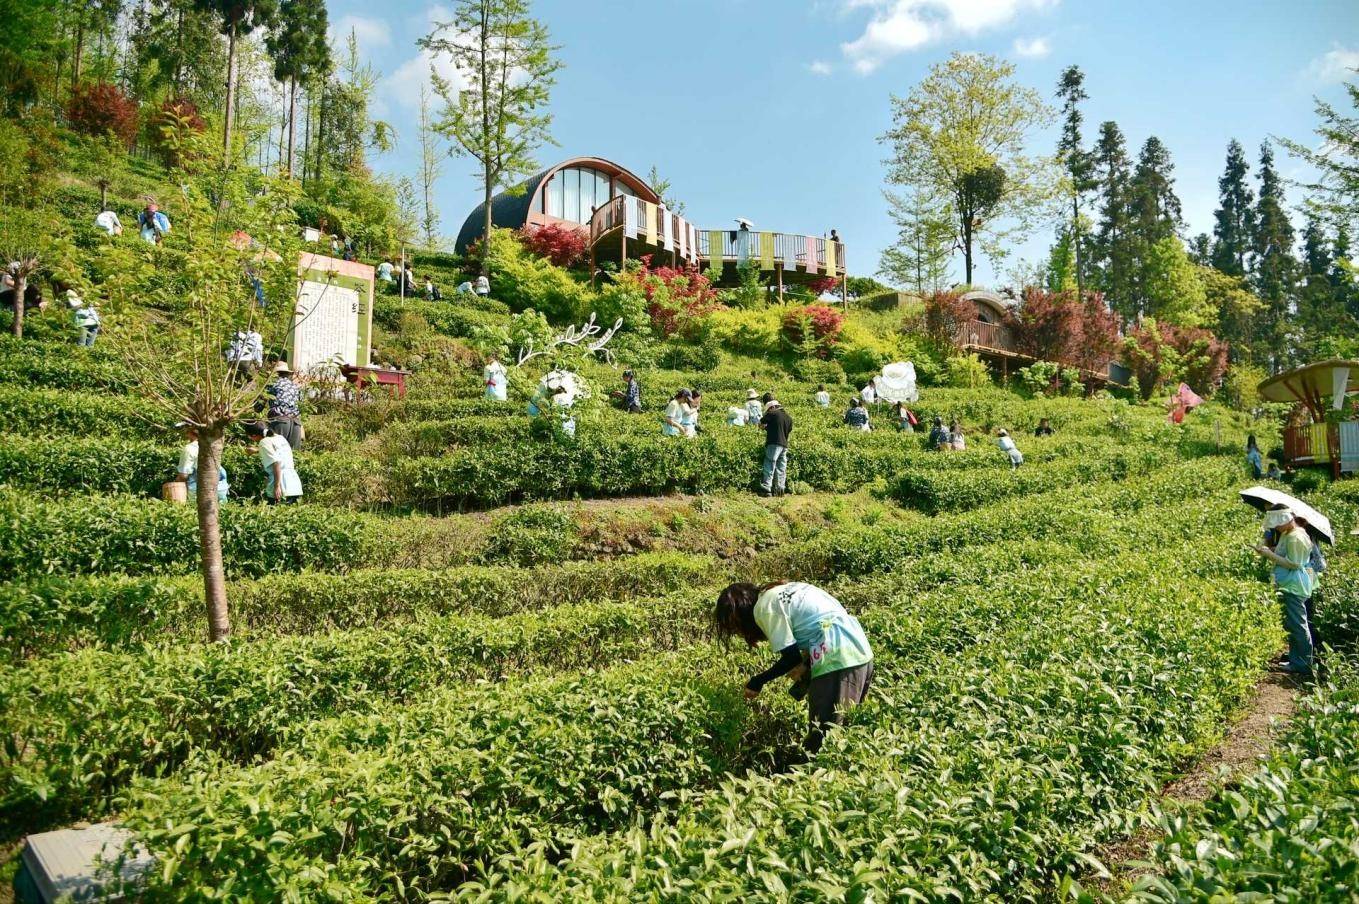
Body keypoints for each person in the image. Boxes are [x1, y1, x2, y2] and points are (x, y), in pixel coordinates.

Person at [713, 580, 873, 753]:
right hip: (859, 649)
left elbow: (790, 658)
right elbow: (819, 624)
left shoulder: (764, 607)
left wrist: (756, 682)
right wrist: (806, 664)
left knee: (824, 740)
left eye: (736, 628)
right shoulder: (783, 590)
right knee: (847, 732)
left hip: (837, 657)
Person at [1252, 505, 1315, 676]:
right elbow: (1283, 553)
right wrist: (1267, 550)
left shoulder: (1296, 537)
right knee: (1293, 625)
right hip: (1288, 583)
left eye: (1277, 524)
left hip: (1294, 585)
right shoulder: (1288, 534)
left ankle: (1302, 665)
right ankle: (1295, 660)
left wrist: (1269, 555)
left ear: (1285, 520)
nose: (1276, 528)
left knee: (1298, 626)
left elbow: (1294, 563)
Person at [244, 421, 303, 505]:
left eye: (249, 437)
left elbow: (276, 463)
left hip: (281, 484)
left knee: (275, 509)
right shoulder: (280, 437)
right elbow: (277, 452)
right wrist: (257, 450)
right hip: (293, 484)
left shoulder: (264, 442)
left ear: (253, 435)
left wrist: (277, 487)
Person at [172, 423, 229, 502]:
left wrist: (175, 483)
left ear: (189, 432)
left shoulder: (189, 448)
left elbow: (183, 476)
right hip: (221, 488)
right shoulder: (212, 445)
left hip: (199, 490)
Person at [264, 361, 304, 450]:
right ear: (287, 374)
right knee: (293, 454)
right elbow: (300, 405)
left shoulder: (272, 384)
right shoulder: (295, 386)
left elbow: (258, 406)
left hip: (279, 419)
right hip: (295, 422)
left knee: (275, 451)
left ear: (275, 374)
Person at [759, 398, 793, 497]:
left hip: (774, 443)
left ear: (772, 407)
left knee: (770, 463)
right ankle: (780, 489)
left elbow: (762, 421)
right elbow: (780, 429)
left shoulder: (773, 413)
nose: (768, 412)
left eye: (768, 410)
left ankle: (766, 488)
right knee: (781, 467)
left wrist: (761, 426)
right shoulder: (788, 418)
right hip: (784, 445)